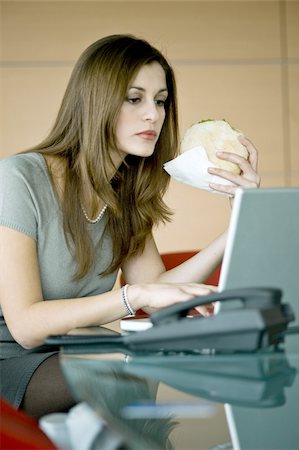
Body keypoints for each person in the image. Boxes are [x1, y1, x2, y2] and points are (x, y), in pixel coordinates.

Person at [0, 34, 260, 419]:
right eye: (134, 98)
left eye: (160, 100)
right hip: (10, 359)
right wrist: (133, 297)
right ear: (95, 101)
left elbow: (158, 290)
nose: (154, 115)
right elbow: (25, 325)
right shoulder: (18, 178)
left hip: (76, 350)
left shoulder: (121, 194)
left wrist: (243, 217)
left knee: (155, 363)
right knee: (124, 371)